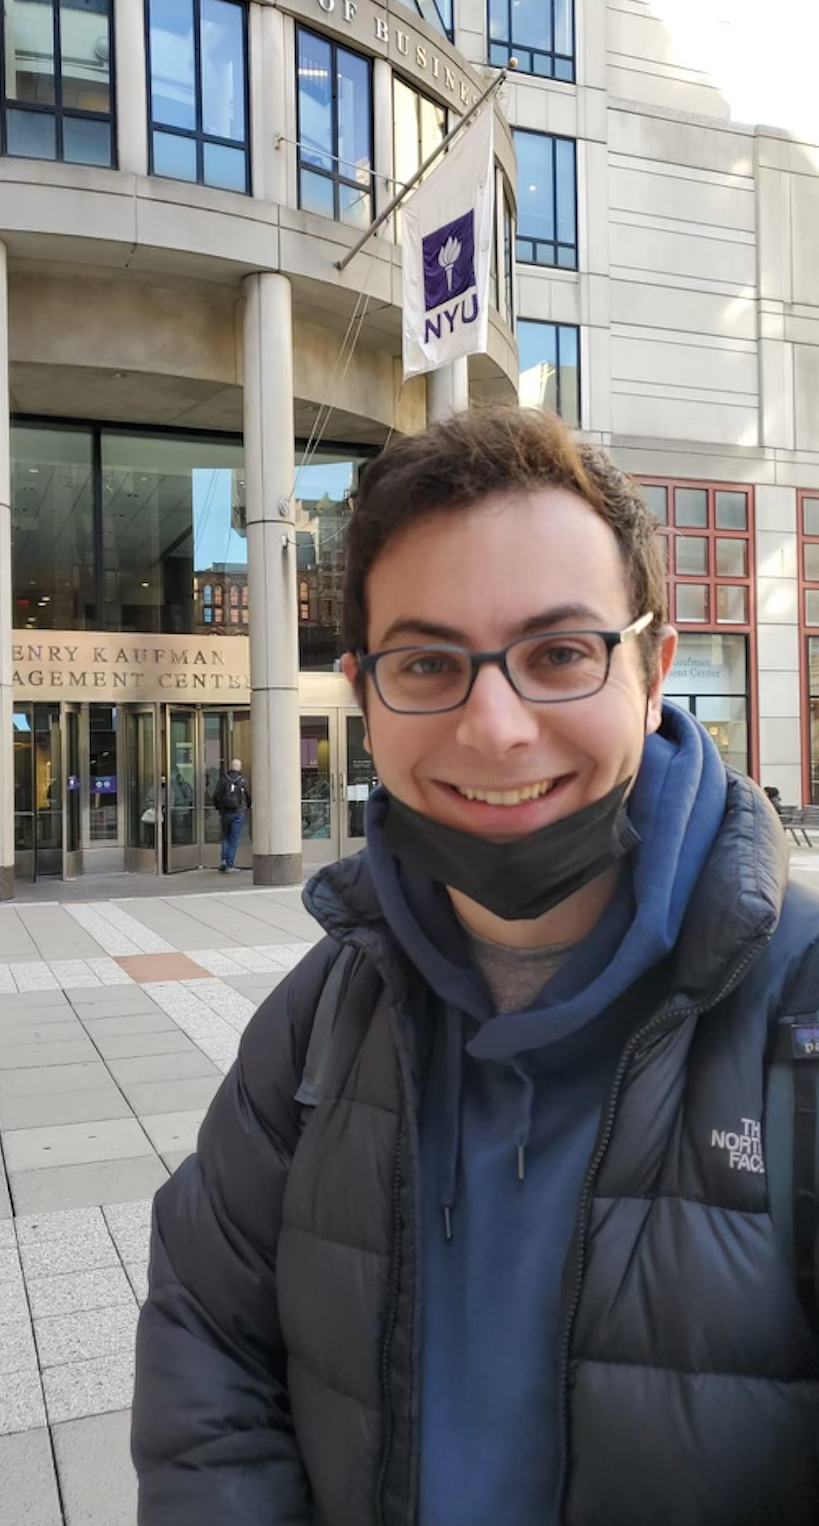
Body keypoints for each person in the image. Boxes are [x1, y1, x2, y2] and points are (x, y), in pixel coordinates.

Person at [133, 408, 819, 1525]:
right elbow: (207, 1334)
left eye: (558, 653)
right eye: (429, 662)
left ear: (652, 673)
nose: (494, 725)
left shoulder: (802, 1020)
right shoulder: (320, 1018)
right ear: (365, 693)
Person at [211, 756, 250, 871]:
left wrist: (219, 808)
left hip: (225, 812)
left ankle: (223, 860)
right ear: (239, 768)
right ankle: (230, 864)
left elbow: (215, 795)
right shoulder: (242, 781)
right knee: (234, 838)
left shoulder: (223, 780)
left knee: (226, 837)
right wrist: (247, 806)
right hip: (238, 812)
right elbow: (248, 795)